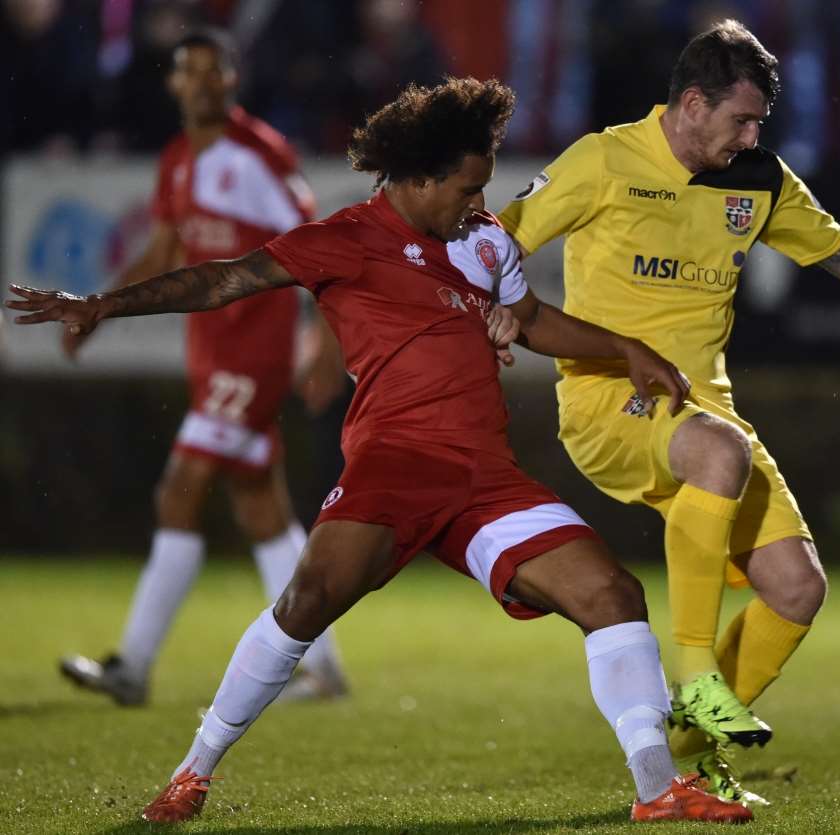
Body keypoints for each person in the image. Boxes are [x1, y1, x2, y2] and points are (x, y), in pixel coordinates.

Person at [7, 77, 752, 825]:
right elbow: (223, 279)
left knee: (613, 596)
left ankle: (656, 788)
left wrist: (626, 349)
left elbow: (529, 320)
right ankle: (192, 773)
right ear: (419, 178)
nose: (479, 205)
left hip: (483, 476)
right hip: (396, 461)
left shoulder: (483, 240)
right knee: (306, 602)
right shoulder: (343, 240)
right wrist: (104, 302)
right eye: (466, 189)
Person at [497, 18, 840, 806]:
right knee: (719, 452)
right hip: (606, 400)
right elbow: (496, 240)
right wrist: (490, 316)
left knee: (795, 588)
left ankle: (678, 750)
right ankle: (696, 672)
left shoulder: (755, 178)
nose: (752, 136)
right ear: (690, 103)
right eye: (739, 120)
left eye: (760, 123)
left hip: (702, 409)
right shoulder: (603, 159)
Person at [57, 27, 347, 706]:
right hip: (212, 351)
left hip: (254, 350)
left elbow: (318, 247)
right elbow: (163, 251)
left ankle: (132, 665)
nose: (204, 84)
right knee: (260, 507)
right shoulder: (179, 159)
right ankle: (324, 668)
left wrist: (326, 343)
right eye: (191, 72)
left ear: (232, 80)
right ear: (174, 83)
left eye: (216, 73)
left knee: (179, 489)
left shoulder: (258, 155)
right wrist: (98, 307)